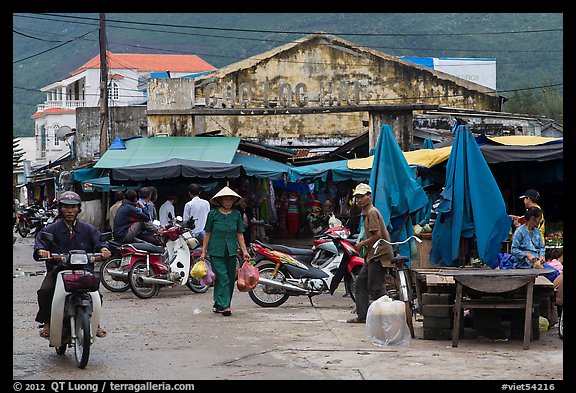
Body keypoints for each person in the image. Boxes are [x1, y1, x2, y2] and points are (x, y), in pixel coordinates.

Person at [33, 191, 111, 338]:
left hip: (83, 271)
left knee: (96, 295)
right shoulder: (51, 229)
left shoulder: (88, 229)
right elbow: (40, 243)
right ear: (60, 208)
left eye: (73, 207)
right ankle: (47, 322)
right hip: (58, 270)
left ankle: (96, 323)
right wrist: (42, 251)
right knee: (45, 292)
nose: (69, 211)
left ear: (78, 209)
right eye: (66, 207)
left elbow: (100, 242)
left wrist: (104, 249)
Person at [346, 183, 394, 324]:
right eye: (357, 197)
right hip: (373, 254)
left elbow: (377, 235)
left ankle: (390, 314)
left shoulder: (372, 212)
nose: (359, 200)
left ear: (369, 196)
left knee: (376, 287)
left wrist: (361, 244)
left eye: (362, 196)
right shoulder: (366, 212)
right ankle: (363, 316)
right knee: (360, 283)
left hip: (379, 255)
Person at [200, 186, 251, 317]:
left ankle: (218, 304)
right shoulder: (213, 214)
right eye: (226, 199)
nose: (228, 202)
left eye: (231, 199)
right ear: (220, 200)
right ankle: (225, 306)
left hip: (231, 250)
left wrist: (244, 251)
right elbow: (207, 233)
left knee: (228, 277)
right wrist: (203, 252)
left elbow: (239, 234)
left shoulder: (236, 215)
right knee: (223, 277)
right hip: (216, 250)